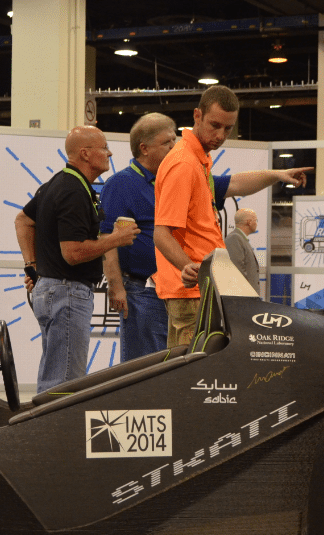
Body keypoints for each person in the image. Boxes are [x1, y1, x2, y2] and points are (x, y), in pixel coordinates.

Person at [153, 85, 312, 347]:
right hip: (193, 292)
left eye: (228, 128)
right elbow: (161, 233)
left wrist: (278, 174)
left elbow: (235, 184)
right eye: (214, 125)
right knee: (193, 377)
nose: (220, 135)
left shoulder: (197, 161)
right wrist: (188, 266)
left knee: (199, 375)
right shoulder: (184, 164)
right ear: (197, 116)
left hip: (202, 290)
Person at [15, 125, 139, 393]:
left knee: (55, 375)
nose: (110, 152)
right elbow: (73, 253)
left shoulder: (57, 184)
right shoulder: (73, 191)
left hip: (54, 291)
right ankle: (55, 434)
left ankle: (46, 432)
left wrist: (32, 265)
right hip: (67, 294)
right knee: (65, 384)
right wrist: (116, 239)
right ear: (85, 153)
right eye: (104, 147)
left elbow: (23, 220)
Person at [100, 113, 233, 362]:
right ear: (144, 148)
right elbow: (108, 238)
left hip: (172, 288)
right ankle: (139, 403)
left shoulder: (177, 174)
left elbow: (233, 183)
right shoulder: (120, 184)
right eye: (167, 143)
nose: (174, 146)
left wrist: (277, 175)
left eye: (175, 140)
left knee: (170, 361)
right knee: (144, 364)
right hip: (142, 290)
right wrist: (116, 286)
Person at [224, 208, 260, 292]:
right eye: (256, 220)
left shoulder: (240, 238)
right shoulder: (235, 238)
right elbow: (237, 270)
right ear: (249, 222)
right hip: (243, 297)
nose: (256, 224)